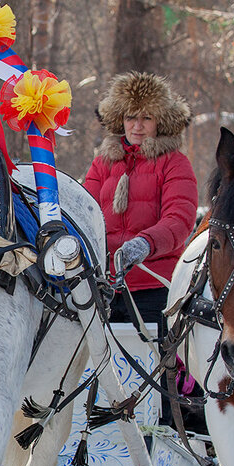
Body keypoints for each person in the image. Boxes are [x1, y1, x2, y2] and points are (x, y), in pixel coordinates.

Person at [83, 71, 198, 328]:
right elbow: (85, 211)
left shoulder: (175, 164)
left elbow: (179, 220)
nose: (137, 126)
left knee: (155, 363)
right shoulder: (103, 162)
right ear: (120, 119)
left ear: (160, 122)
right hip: (104, 285)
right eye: (130, 117)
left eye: (147, 118)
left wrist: (145, 244)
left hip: (155, 285)